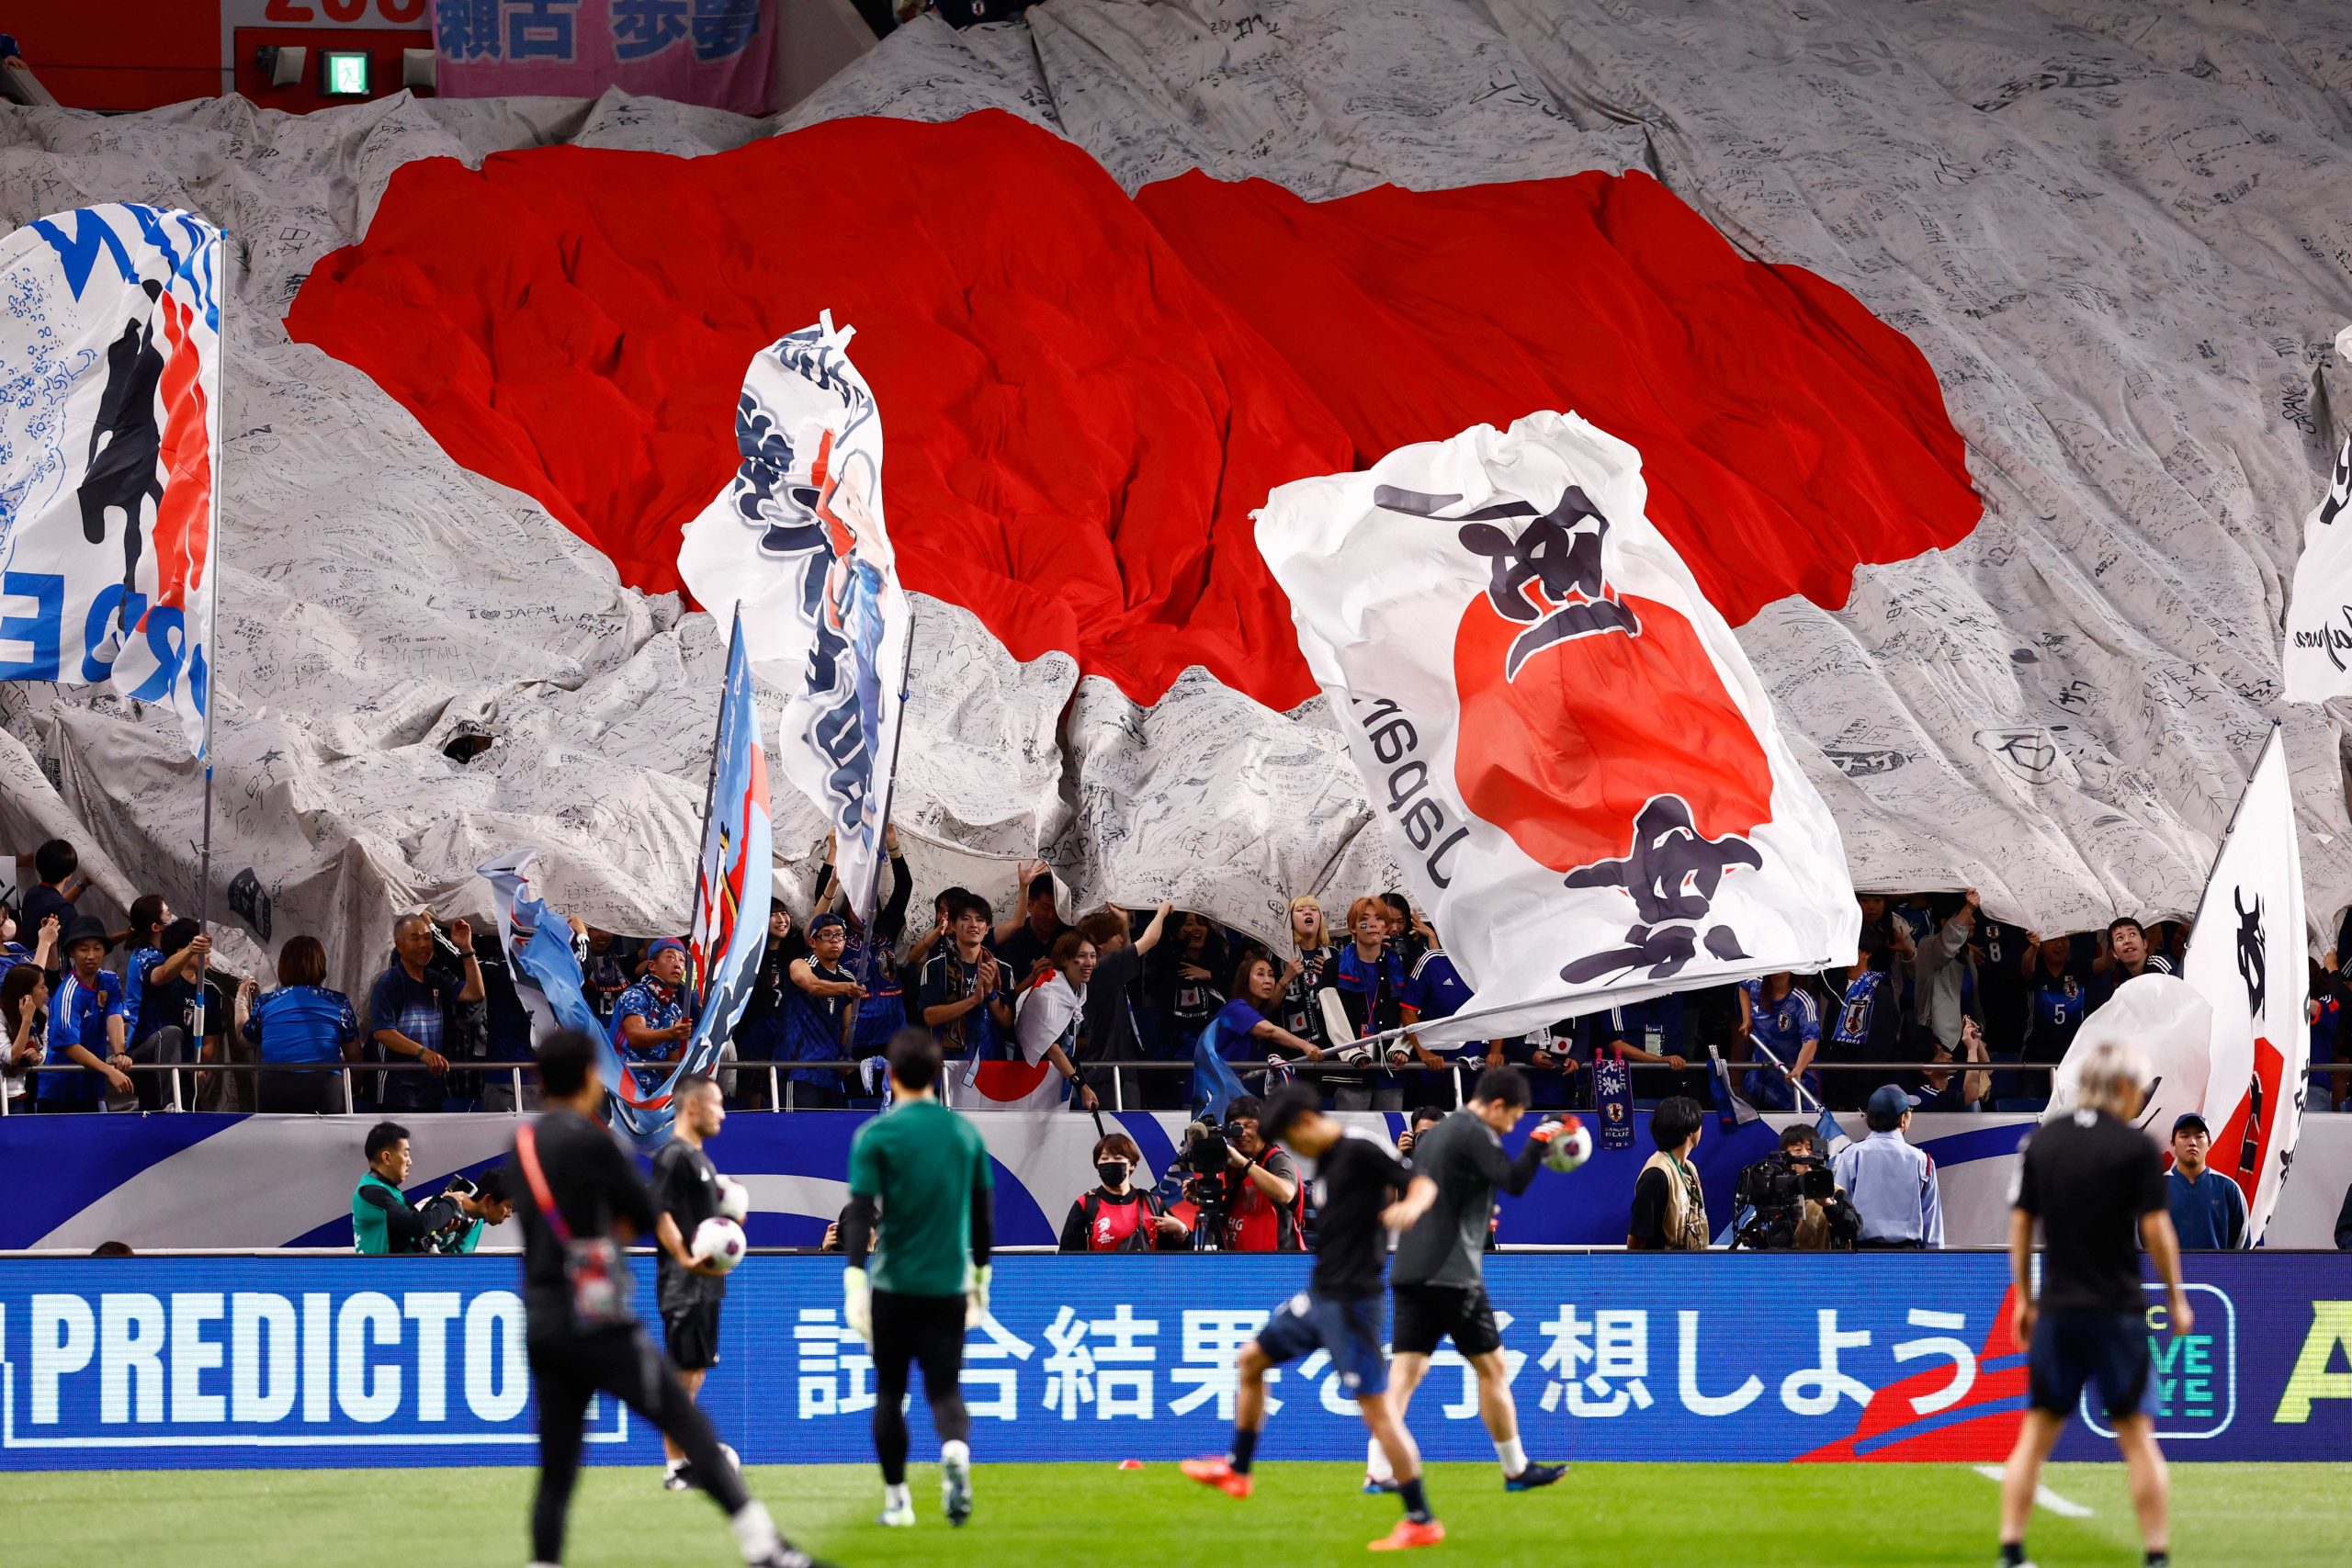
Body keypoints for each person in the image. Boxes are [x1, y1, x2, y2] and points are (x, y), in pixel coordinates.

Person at [509, 1030, 824, 1568]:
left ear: (539, 1081)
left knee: (558, 1467)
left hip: (542, 1321)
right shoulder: (595, 1142)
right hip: (599, 1320)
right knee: (689, 1424)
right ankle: (763, 1547)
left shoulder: (520, 1148)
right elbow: (642, 1214)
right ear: (590, 1078)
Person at [1181, 1082, 1444, 1552]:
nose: (1292, 1152)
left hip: (1354, 1302)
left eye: (1291, 1140)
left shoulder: (1361, 1149)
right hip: (1320, 1294)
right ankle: (1238, 1471)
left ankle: (1421, 1518)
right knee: (1251, 1361)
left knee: (1379, 1413)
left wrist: (1410, 1208)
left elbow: (1422, 1184)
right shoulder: (1324, 1161)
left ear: (1304, 1124)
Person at [1998, 1041, 2193, 1568]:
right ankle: (2156, 1554)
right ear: (2125, 1088)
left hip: (2058, 1312)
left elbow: (2021, 1225)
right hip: (2117, 1312)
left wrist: (2025, 1297)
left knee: (2034, 1436)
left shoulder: (2042, 1143)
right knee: (2137, 1440)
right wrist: (2176, 1297)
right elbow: (2156, 1229)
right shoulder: (2136, 1149)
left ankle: (2011, 1548)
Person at [1372, 1066, 1574, 1496]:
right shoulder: (1474, 1132)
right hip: (1451, 1273)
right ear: (1498, 1106)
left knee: (1405, 1373)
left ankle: (1376, 1469)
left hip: (1410, 1267)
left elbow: (1440, 1195)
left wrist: (1476, 1216)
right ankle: (1516, 1468)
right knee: (1493, 1367)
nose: (1513, 1126)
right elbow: (1515, 1180)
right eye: (1515, 1118)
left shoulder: (1437, 1137)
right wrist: (1542, 1137)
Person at [843, 1028, 993, 1529]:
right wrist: (981, 1276)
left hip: (892, 1285)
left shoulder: (876, 1135)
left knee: (890, 1393)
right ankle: (955, 1450)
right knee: (946, 1391)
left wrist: (852, 1283)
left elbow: (860, 1215)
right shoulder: (963, 1134)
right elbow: (984, 1217)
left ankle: (897, 1501)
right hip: (948, 1283)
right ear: (936, 1074)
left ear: (889, 1074)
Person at [650, 1075, 735, 1490]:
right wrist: (685, 1259)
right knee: (682, 1376)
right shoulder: (674, 1156)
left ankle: (685, 1460)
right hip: (682, 1284)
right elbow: (660, 1214)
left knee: (695, 1375)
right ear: (693, 1107)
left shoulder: (701, 1160)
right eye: (717, 1104)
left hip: (706, 1284)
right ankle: (676, 1467)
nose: (723, 1112)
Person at [368, 914, 482, 1112]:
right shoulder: (389, 983)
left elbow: (475, 992)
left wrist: (466, 948)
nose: (424, 944)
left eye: (427, 937)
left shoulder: (436, 979)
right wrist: (423, 1052)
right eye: (415, 938)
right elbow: (383, 1032)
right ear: (399, 945)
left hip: (431, 1089)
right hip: (397, 1092)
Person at [239, 934, 364, 1113]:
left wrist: (241, 999)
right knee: (326, 1141)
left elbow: (245, 1040)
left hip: (275, 1087)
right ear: (321, 965)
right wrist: (356, 1087)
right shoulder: (338, 1002)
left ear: (283, 966)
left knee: (279, 1142)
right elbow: (354, 1055)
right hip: (324, 1087)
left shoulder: (266, 1002)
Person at [1076, 902, 1170, 1109]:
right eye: (1115, 934)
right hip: (1107, 1072)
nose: (1121, 939)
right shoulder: (1101, 969)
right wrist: (1162, 911)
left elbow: (1128, 954)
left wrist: (1123, 923)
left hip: (1117, 1066)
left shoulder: (1106, 971)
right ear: (1100, 946)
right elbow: (1151, 939)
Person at [120, 893, 207, 1110]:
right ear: (156, 927)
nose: (172, 916)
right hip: (146, 1042)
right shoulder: (148, 958)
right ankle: (168, 1104)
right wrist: (190, 950)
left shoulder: (162, 954)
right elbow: (160, 975)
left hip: (172, 1044)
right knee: (171, 1034)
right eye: (168, 913)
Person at [1833, 1084, 1944, 1248]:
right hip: (1908, 1258)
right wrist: (1936, 1265)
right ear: (1902, 1119)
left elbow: (1839, 1208)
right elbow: (1931, 1221)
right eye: (1910, 1111)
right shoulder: (1922, 1160)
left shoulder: (1851, 1155)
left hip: (1860, 1255)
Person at [351, 1121, 487, 1254]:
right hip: (381, 1274)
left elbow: (404, 1241)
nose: (410, 1161)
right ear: (387, 1157)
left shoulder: (388, 1190)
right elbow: (419, 1225)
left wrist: (436, 1232)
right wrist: (450, 1201)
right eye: (405, 1154)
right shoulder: (371, 1192)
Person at [40, 916, 131, 1111]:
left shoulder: (109, 981)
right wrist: (109, 1070)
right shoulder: (68, 993)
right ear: (72, 952)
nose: (91, 955)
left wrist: (120, 1052)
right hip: (59, 1092)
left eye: (97, 948)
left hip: (91, 1086)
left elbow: (113, 1015)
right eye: (83, 949)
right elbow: (68, 1045)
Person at [1332, 896, 1412, 1110]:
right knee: (1351, 1137)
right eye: (1365, 919)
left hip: (1390, 1066)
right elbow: (1332, 1015)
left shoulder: (1399, 965)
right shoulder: (1335, 965)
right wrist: (1351, 1052)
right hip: (1352, 1070)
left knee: (1391, 1136)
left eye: (1379, 918)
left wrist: (1402, 1046)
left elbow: (1411, 1010)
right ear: (1353, 927)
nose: (1374, 924)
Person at [919, 891, 1013, 1063]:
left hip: (990, 1065)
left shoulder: (1002, 969)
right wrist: (973, 1000)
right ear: (953, 926)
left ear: (987, 928)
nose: (973, 925)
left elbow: (1007, 1022)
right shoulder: (936, 966)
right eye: (965, 919)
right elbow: (930, 1017)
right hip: (947, 1066)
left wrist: (990, 993)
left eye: (980, 920)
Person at [1012, 930, 1100, 1112]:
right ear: (1064, 960)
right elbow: (1051, 1047)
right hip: (1029, 1077)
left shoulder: (1078, 991)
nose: (1089, 962)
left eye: (1093, 956)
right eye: (1081, 956)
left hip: (1057, 1076)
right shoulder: (1048, 993)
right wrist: (1080, 1084)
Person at [1057, 1131, 1189, 1251]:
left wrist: (1181, 1231)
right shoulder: (1085, 1204)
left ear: (1132, 1164)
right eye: (1104, 1158)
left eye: (1118, 1158)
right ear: (1097, 1165)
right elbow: (1067, 1260)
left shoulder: (1154, 1203)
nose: (1110, 1162)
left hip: (1145, 1276)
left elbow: (1174, 1263)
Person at [1208, 953, 1324, 1089]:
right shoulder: (1235, 1008)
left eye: (1271, 975)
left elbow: (1270, 1007)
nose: (1268, 980)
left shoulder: (1258, 1013)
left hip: (1235, 1090)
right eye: (1260, 974)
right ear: (1245, 979)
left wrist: (1286, 979)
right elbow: (1270, 1031)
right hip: (1210, 1093)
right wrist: (1306, 1046)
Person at [784, 914, 863, 1107]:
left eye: (839, 935)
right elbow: (813, 986)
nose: (834, 940)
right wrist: (845, 988)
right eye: (826, 935)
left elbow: (846, 1027)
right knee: (801, 1133)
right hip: (800, 1070)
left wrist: (845, 1055)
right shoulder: (800, 964)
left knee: (832, 1134)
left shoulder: (847, 976)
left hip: (832, 1072)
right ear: (812, 941)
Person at [1213, 1093, 1305, 1252]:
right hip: (1239, 1260)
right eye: (1236, 1127)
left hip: (1276, 1264)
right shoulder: (1233, 1165)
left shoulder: (1278, 1161)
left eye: (1249, 1126)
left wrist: (1245, 1164)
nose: (1242, 1133)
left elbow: (1286, 1194)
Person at [611, 936, 694, 1095]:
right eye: (670, 957)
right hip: (624, 1086)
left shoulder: (675, 1010)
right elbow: (635, 1036)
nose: (677, 964)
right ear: (652, 966)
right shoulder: (636, 994)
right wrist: (671, 1033)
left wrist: (671, 1097)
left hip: (656, 1095)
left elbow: (672, 1062)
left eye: (682, 961)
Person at [1627, 1094, 1708, 1250]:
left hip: (1689, 1266)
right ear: (1690, 1130)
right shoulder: (1655, 1176)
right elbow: (1637, 1239)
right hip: (1660, 1269)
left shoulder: (1690, 1168)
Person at [2163, 1111, 2248, 1250]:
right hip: (2164, 1272)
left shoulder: (2228, 1189)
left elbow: (2242, 1245)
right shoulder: (2156, 1187)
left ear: (2209, 1143)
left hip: (2216, 1272)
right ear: (2173, 1143)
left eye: (2199, 1136)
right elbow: (2140, 1240)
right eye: (2184, 1136)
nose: (2192, 1142)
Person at [1737, 971, 1821, 1111]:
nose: (1778, 970)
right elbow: (1742, 987)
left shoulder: (1803, 1001)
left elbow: (1811, 1040)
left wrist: (1798, 1069)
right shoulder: (1756, 983)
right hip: (1758, 1077)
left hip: (1791, 1079)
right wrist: (1747, 1019)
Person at [992, 860, 1068, 987]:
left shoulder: (1068, 935)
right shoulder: (1012, 942)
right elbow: (1006, 997)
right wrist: (1033, 977)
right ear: (1029, 905)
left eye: (1057, 910)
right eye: (1046, 908)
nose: (1051, 916)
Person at [16, 840, 85, 962]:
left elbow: (56, 903)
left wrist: (82, 884)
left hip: (31, 965)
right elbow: (81, 951)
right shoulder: (64, 910)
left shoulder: (32, 894)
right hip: (55, 977)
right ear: (69, 875)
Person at [2090, 916, 2175, 1008]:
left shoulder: (2160, 965)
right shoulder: (2126, 986)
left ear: (2145, 943)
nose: (2127, 941)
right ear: (2114, 953)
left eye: (2132, 934)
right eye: (2120, 938)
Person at [2, 961, 47, 1113]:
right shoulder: (1, 1016)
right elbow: (12, 1057)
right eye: (42, 986)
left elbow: (46, 1045)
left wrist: (38, 1057)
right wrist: (26, 1020)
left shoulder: (42, 1014)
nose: (46, 991)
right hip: (3, 1097)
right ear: (26, 995)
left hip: (22, 1095)